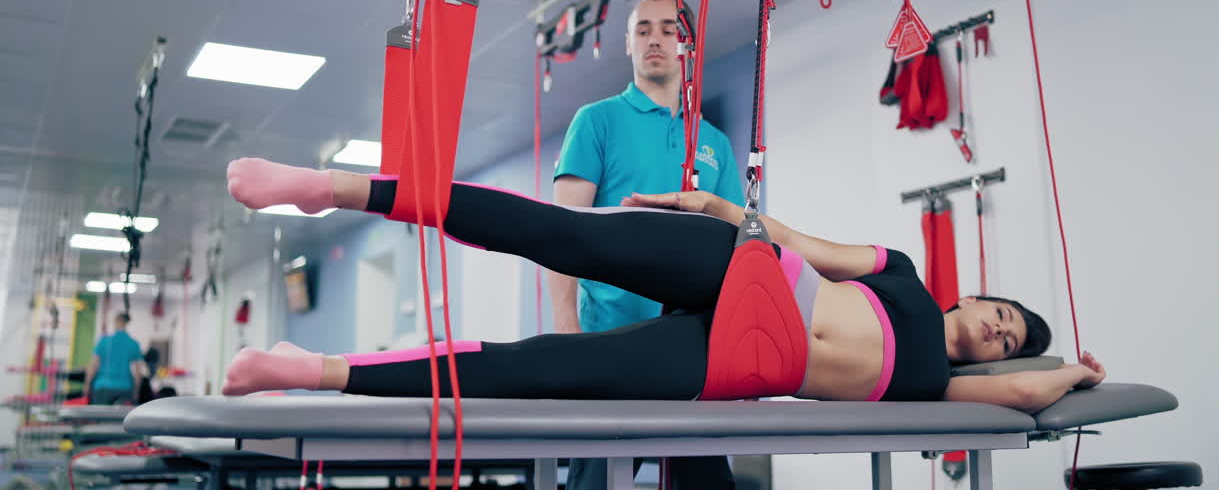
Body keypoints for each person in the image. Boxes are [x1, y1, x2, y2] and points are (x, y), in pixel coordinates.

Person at [223, 159, 1106, 413]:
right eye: (1001, 314)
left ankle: (312, 370)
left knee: (545, 371)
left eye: (1013, 338)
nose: (1000, 333)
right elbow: (805, 244)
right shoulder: (908, 279)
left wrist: (1073, 373)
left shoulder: (937, 389)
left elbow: (1028, 393)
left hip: (741, 359)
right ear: (972, 299)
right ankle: (330, 189)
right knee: (556, 231)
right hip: (751, 270)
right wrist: (723, 208)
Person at [549, 0, 745, 489]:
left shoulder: (714, 143)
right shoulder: (597, 121)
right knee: (598, 481)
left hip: (693, 348)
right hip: (614, 341)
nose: (654, 39)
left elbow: (734, 246)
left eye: (667, 29)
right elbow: (559, 231)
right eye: (642, 29)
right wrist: (566, 330)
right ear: (628, 44)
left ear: (689, 47)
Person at [84, 312, 144, 405]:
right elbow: (138, 372)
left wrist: (87, 385)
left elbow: (93, 366)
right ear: (126, 323)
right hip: (125, 388)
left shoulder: (104, 341)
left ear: (116, 322)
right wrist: (136, 391)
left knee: (101, 417)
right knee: (121, 418)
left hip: (103, 387)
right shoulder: (134, 343)